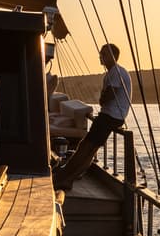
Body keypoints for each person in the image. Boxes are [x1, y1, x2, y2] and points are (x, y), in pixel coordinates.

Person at [53, 43, 130, 191]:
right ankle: (68, 176)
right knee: (89, 148)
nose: (101, 56)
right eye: (101, 53)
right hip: (110, 116)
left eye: (104, 54)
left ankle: (66, 177)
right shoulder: (113, 73)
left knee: (86, 147)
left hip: (110, 116)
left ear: (113, 57)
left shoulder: (116, 72)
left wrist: (102, 99)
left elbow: (107, 97)